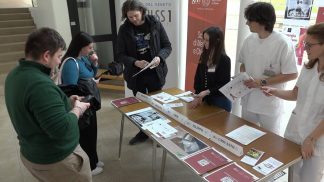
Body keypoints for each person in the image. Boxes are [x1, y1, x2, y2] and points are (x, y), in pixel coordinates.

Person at [4, 27, 92, 181]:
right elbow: (62, 129)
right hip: (56, 159)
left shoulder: (14, 74)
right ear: (46, 56)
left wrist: (66, 101)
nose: (59, 61)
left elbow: (34, 109)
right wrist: (78, 109)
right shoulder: (40, 85)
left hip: (32, 153)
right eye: (58, 56)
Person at [261, 23, 324, 182]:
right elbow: (295, 94)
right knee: (292, 176)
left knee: (309, 179)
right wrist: (274, 91)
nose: (305, 49)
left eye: (309, 45)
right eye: (305, 44)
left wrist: (311, 139)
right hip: (294, 131)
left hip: (317, 138)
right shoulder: (309, 67)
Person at [117, 0, 172, 145]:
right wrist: (135, 62)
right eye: (130, 17)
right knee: (141, 105)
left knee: (156, 104)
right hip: (136, 74)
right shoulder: (124, 30)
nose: (133, 19)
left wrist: (160, 57)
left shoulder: (154, 23)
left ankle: (159, 134)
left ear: (142, 11)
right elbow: (120, 54)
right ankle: (143, 133)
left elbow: (167, 46)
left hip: (155, 72)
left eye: (135, 16)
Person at [238, 2, 298, 135]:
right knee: (245, 137)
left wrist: (261, 82)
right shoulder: (249, 40)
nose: (247, 23)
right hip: (248, 100)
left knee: (270, 142)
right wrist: (243, 76)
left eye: (250, 20)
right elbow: (243, 63)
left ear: (261, 21)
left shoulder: (282, 43)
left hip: (269, 104)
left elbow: (292, 74)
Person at [61, 32, 103, 175]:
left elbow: (91, 74)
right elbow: (70, 89)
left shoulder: (83, 58)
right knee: (85, 137)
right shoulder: (71, 63)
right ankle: (90, 167)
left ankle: (94, 159)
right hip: (81, 107)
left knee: (92, 134)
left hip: (89, 103)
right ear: (80, 46)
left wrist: (95, 63)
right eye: (89, 47)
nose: (91, 50)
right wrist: (79, 105)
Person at [191, 26, 232, 112]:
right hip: (206, 99)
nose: (204, 42)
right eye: (203, 39)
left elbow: (224, 85)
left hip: (220, 101)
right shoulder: (204, 56)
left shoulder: (224, 60)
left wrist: (207, 92)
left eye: (207, 40)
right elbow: (198, 77)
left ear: (217, 41)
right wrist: (198, 95)